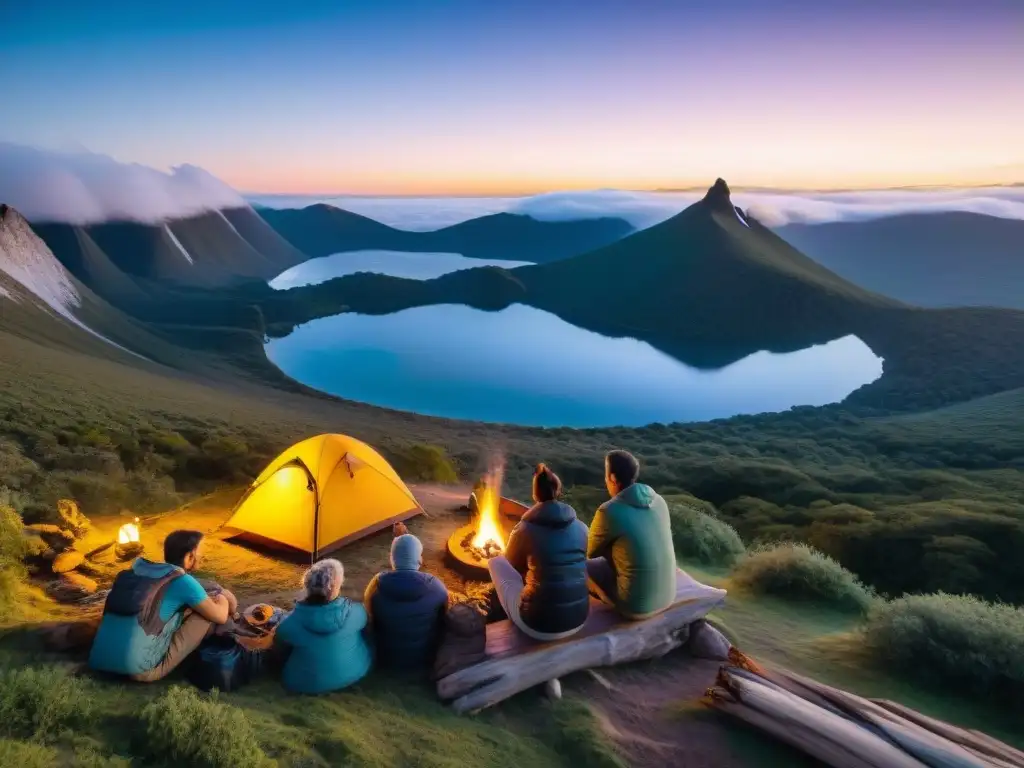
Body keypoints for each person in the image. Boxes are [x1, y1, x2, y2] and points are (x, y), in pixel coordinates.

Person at [89, 530, 237, 681]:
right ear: (188, 557)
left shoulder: (137, 572)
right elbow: (220, 616)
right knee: (205, 616)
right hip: (142, 671)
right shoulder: (183, 581)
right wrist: (222, 596)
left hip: (100, 661)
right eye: (201, 552)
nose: (204, 556)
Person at [487, 464, 589, 641]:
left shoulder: (524, 529)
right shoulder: (581, 527)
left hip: (537, 625)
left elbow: (512, 568)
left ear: (535, 494)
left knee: (496, 563)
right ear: (558, 491)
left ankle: (496, 609)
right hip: (579, 619)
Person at [586, 450, 677, 619]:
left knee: (578, 565)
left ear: (612, 478)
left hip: (635, 607)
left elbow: (589, 552)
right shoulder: (659, 501)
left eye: (605, 475)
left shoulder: (609, 511)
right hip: (668, 598)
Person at [275, 558, 372, 694]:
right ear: (336, 586)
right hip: (355, 672)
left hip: (304, 684)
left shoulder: (290, 623)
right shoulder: (357, 612)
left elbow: (279, 641)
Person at [363, 532, 449, 672]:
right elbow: (445, 617)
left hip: (386, 659)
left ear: (392, 559)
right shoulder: (436, 586)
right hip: (424, 659)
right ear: (419, 560)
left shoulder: (375, 586)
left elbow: (369, 616)